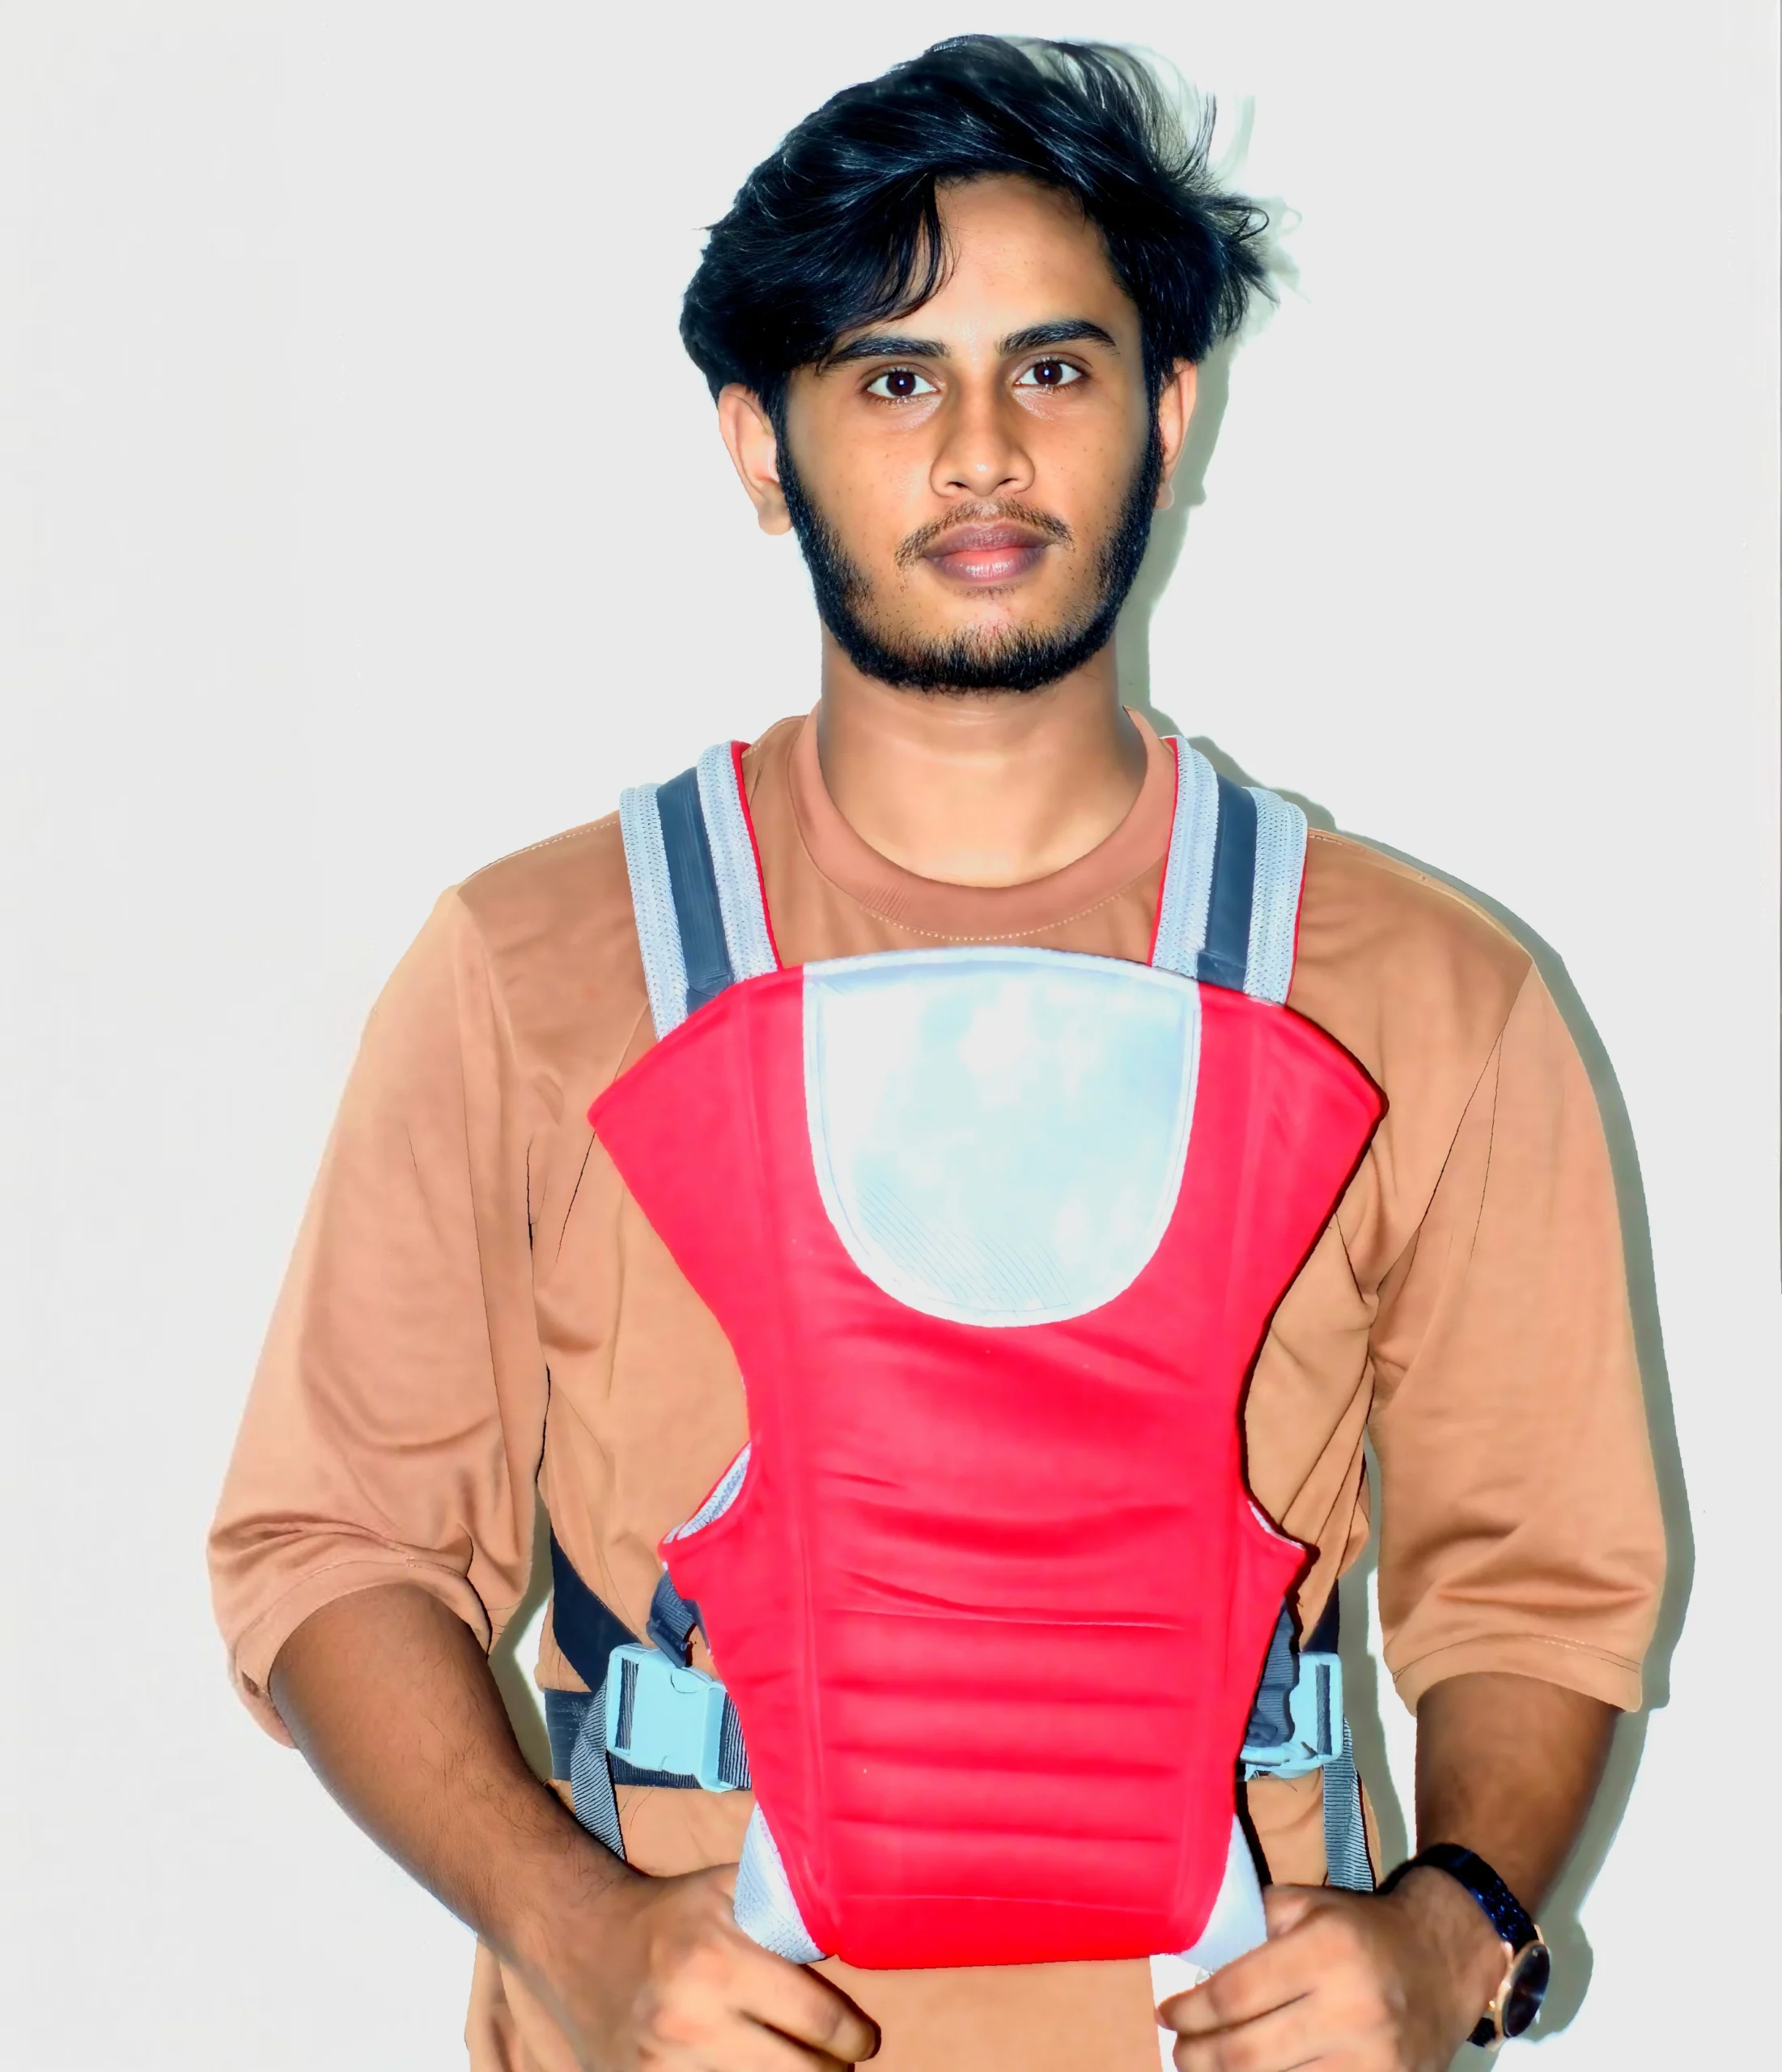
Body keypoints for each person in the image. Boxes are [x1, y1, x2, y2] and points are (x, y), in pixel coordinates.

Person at [209, 35, 1664, 2072]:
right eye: (895, 381)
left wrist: (1454, 1927)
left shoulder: (1425, 992)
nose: (983, 451)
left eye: (1053, 369)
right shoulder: (529, 972)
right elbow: (333, 1545)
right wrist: (575, 1931)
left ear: (1168, 411)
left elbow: (1539, 1586)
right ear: (760, 444)